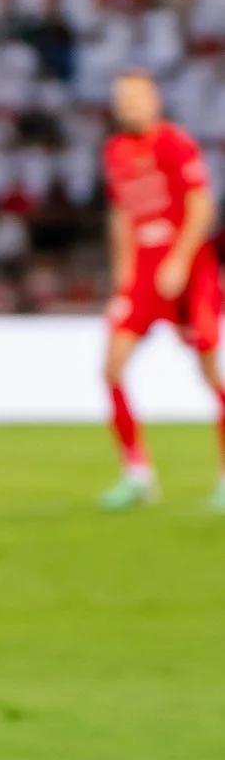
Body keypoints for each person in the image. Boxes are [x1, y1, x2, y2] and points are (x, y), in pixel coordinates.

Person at [97, 67, 223, 511]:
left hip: (188, 270)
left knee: (210, 370)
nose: (126, 106)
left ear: (154, 101)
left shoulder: (174, 143)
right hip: (144, 273)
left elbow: (201, 204)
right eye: (121, 99)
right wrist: (124, 278)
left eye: (133, 98)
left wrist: (180, 260)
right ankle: (137, 473)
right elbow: (120, 217)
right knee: (112, 366)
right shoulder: (115, 152)